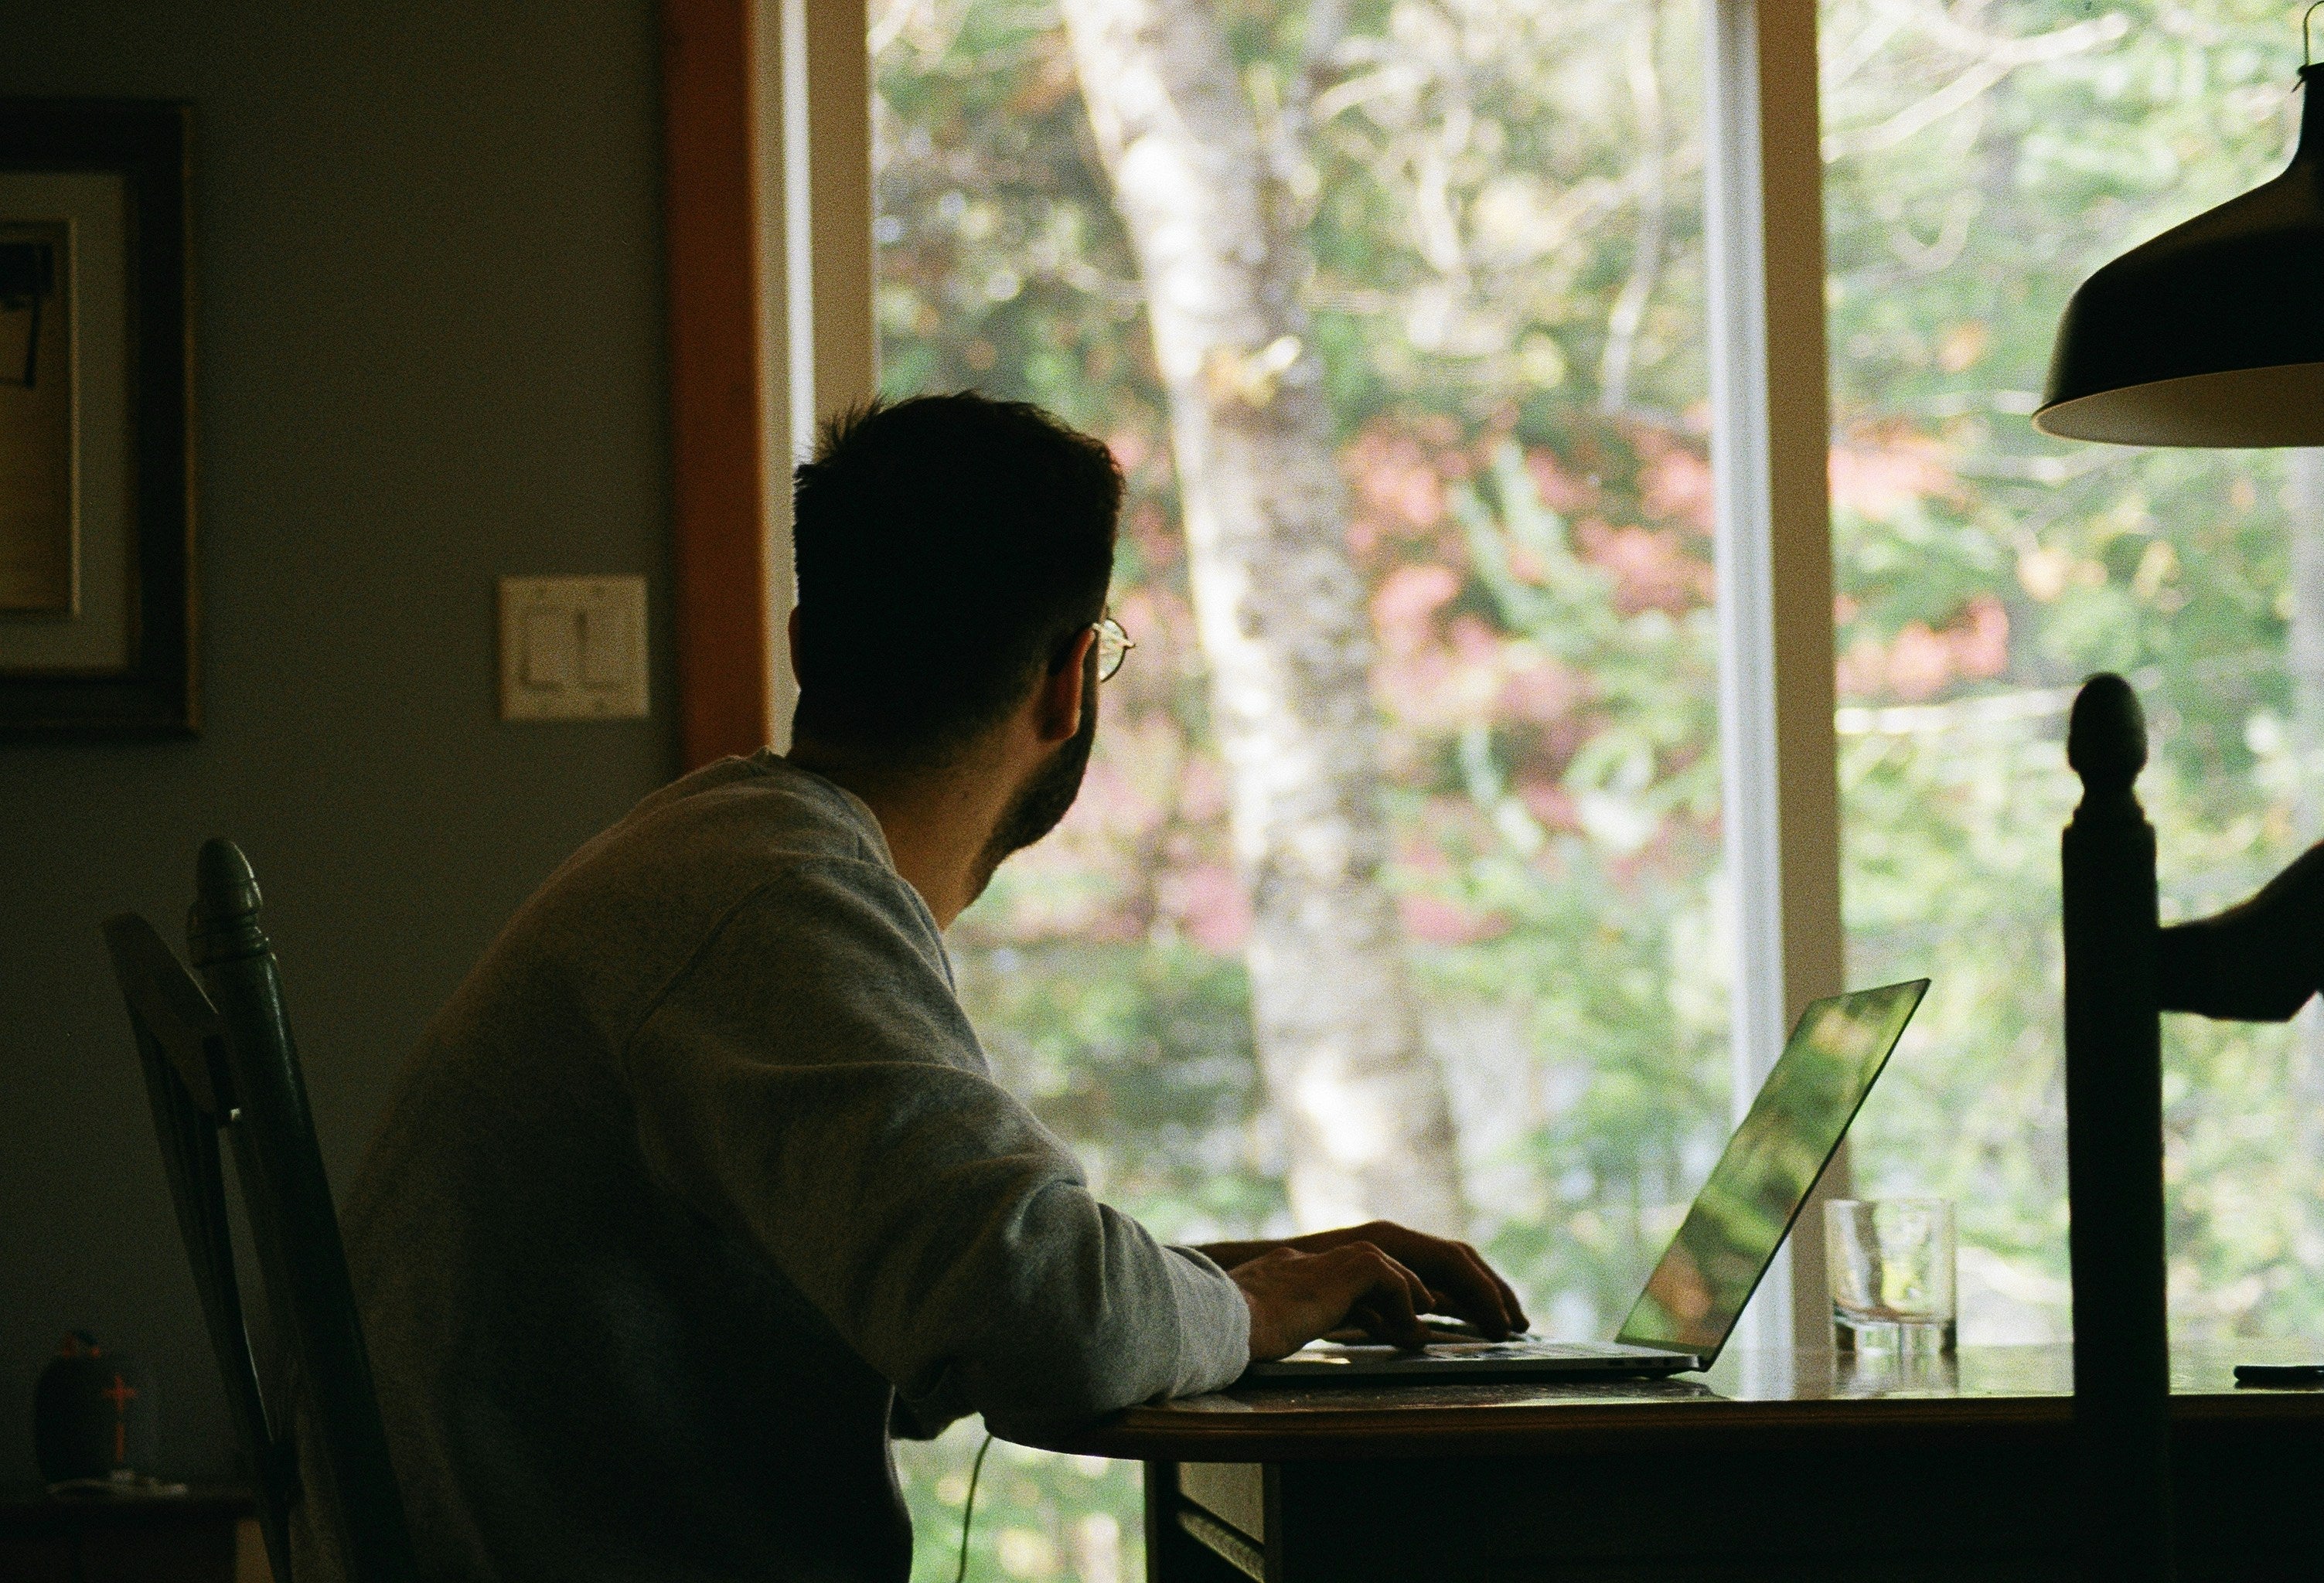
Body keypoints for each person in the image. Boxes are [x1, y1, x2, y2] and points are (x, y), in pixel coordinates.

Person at [295, 393, 1526, 1582]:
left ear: (801, 646)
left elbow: (969, 1284)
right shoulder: (771, 899)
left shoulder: (717, 860)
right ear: (1069, 685)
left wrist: (1229, 1286)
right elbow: (1049, 1324)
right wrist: (1245, 1314)